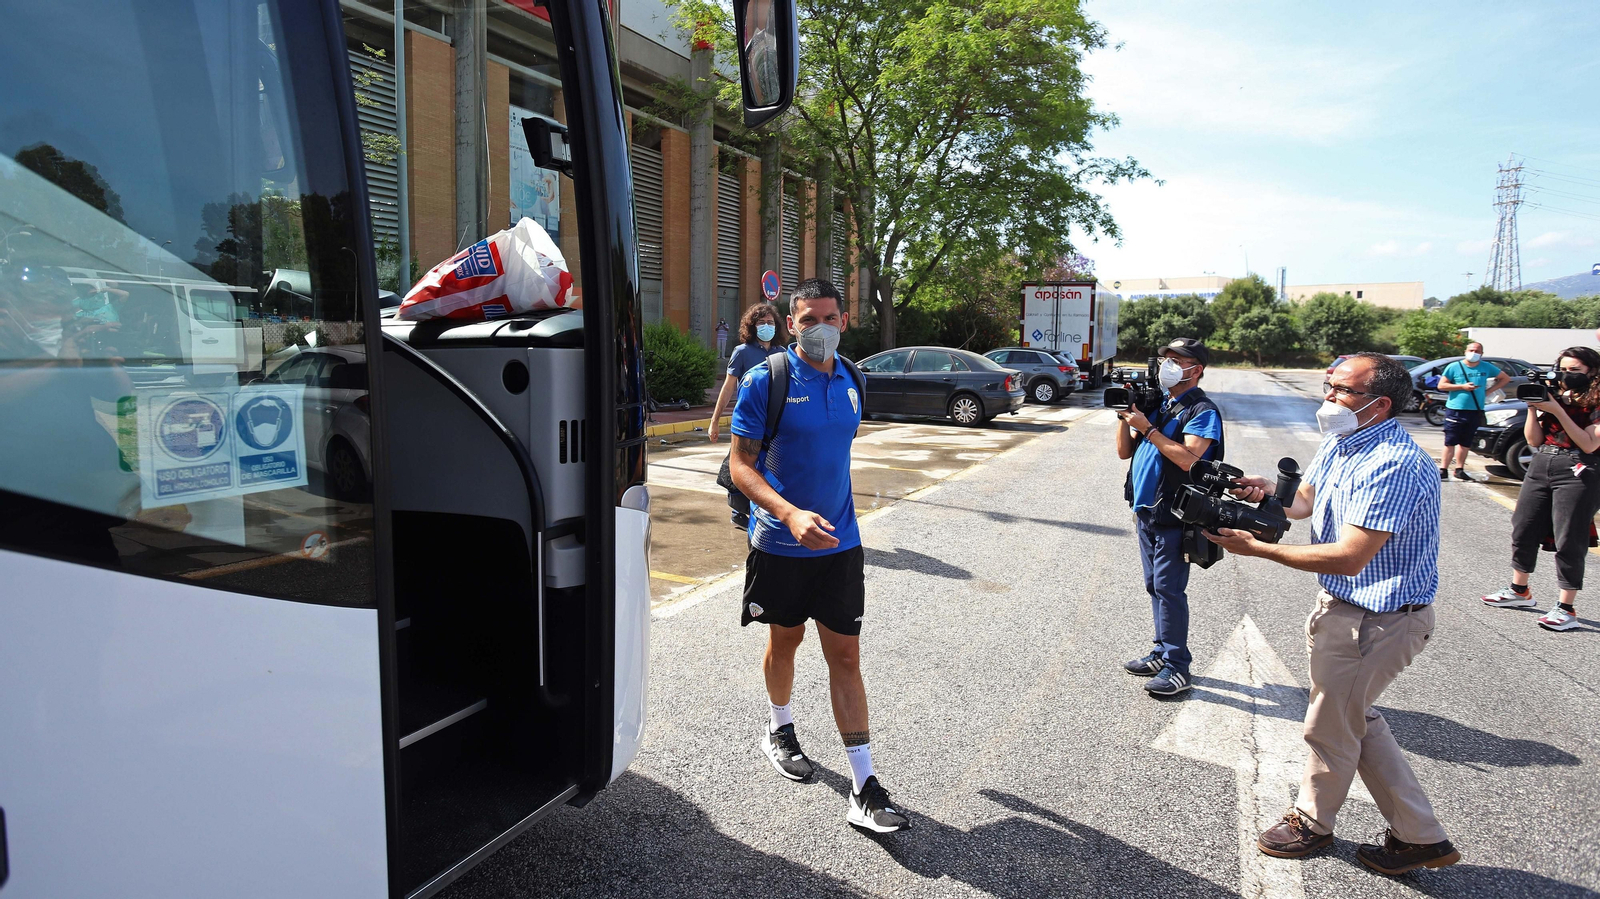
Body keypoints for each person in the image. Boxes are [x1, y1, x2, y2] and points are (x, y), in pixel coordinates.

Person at [1206, 353, 1460, 877]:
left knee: (1331, 724)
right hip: (1347, 610)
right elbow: (1302, 501)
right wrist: (1260, 489)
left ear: (1379, 404)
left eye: (1340, 391)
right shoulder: (1342, 442)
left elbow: (1350, 554)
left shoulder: (1393, 462)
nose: (1327, 399)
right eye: (1327, 386)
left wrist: (1262, 551)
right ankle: (1421, 837)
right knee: (1353, 717)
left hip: (1378, 619)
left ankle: (1312, 823)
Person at [726, 278, 907, 834]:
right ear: (791, 324)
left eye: (828, 318)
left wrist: (826, 515)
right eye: (807, 320)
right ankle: (779, 727)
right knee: (786, 641)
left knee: (846, 658)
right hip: (781, 543)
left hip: (841, 544)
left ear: (845, 321)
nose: (819, 328)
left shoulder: (853, 378)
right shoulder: (768, 380)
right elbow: (741, 465)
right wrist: (789, 514)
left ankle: (864, 784)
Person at [1114, 338, 1224, 697]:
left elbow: (1190, 461)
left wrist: (1148, 428)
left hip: (1177, 515)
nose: (1168, 366)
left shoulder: (1202, 411)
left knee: (1169, 589)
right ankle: (1161, 652)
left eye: (1177, 360)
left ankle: (1178, 666)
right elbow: (1123, 452)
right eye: (1165, 359)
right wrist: (1125, 415)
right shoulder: (1161, 403)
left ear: (1197, 369)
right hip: (1147, 511)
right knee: (1154, 586)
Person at [1481, 346, 1600, 631]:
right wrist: (1534, 408)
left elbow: (1589, 443)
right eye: (1563, 369)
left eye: (1574, 371)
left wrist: (1557, 409)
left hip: (1580, 468)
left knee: (1569, 537)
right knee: (1523, 527)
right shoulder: (1554, 394)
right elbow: (1533, 440)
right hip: (1543, 460)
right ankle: (1519, 590)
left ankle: (1566, 607)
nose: (1566, 375)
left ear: (1593, 372)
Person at [708, 302, 784, 444]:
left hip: (775, 423)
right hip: (748, 420)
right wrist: (715, 421)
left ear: (776, 326)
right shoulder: (742, 352)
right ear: (752, 326)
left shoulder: (782, 353)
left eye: (770, 322)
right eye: (761, 322)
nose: (766, 326)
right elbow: (728, 387)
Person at [1436, 342, 1508, 481]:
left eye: (1477, 351)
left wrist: (1489, 391)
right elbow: (1442, 385)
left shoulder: (1486, 367)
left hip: (1475, 410)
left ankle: (1459, 469)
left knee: (1466, 442)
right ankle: (1443, 469)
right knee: (1450, 441)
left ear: (1481, 353)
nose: (1474, 352)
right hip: (1455, 410)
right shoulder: (1454, 367)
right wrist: (1462, 386)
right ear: (1465, 351)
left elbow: (1505, 378)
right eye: (1471, 350)